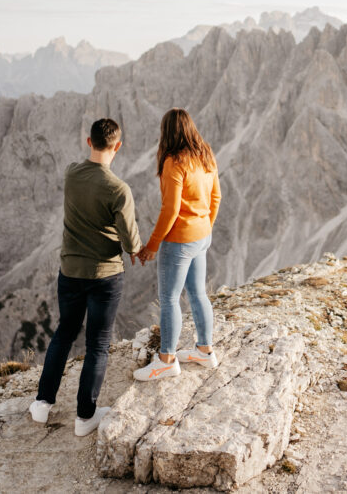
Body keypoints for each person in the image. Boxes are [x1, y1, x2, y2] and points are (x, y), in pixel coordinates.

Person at [28, 118, 142, 436]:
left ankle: (42, 404)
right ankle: (84, 417)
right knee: (98, 344)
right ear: (117, 146)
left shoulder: (71, 174)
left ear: (88, 142)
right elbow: (131, 243)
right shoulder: (119, 190)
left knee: (64, 333)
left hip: (70, 272)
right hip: (105, 277)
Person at [133, 108, 221, 381]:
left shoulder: (174, 161)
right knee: (198, 294)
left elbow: (170, 210)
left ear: (166, 132)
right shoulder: (205, 154)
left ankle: (167, 359)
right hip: (201, 236)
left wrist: (152, 245)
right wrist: (204, 227)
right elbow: (216, 197)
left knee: (170, 299)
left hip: (180, 241)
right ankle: (205, 351)